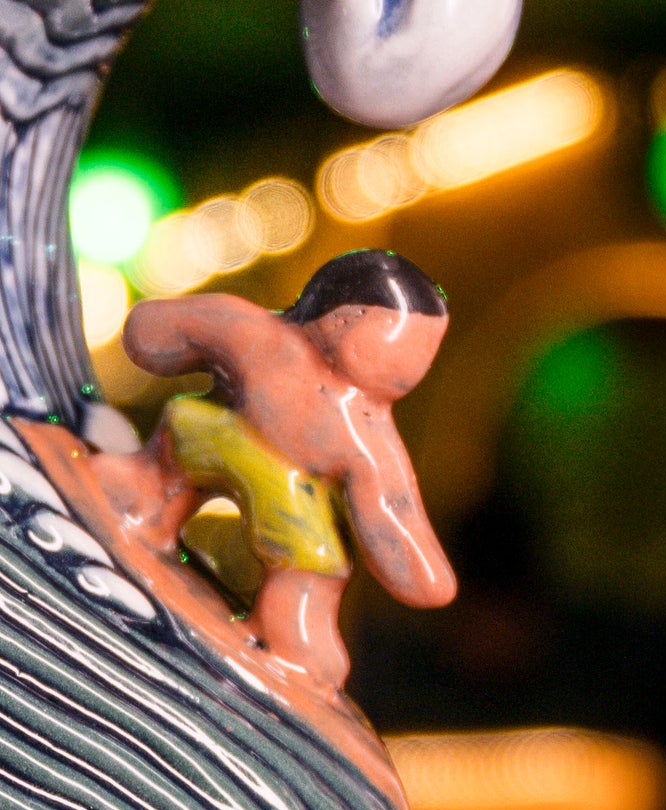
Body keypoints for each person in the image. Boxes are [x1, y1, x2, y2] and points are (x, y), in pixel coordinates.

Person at [109, 249, 458, 695]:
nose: (415, 362)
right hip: (214, 434)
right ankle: (140, 500)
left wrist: (424, 574)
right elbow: (164, 330)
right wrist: (153, 328)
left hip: (288, 490)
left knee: (315, 554)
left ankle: (294, 638)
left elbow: (389, 507)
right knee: (180, 437)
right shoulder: (259, 333)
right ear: (344, 317)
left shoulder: (369, 430)